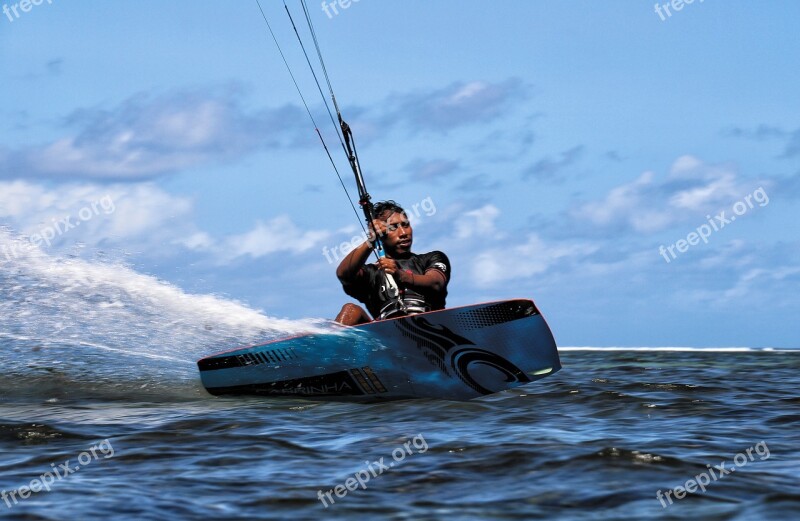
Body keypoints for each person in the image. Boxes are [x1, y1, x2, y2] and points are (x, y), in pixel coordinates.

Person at [334, 200, 450, 325]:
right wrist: (371, 241)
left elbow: (436, 282)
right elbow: (343, 274)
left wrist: (401, 276)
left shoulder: (431, 258)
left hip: (432, 327)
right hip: (388, 337)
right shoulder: (372, 274)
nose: (403, 233)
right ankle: (331, 343)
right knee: (350, 310)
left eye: (405, 225)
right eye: (393, 227)